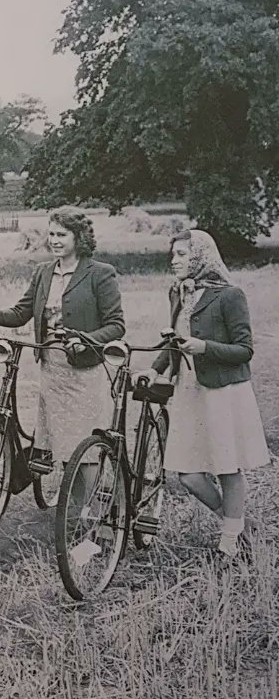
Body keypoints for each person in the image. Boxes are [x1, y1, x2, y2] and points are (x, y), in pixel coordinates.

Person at [138, 228, 271, 559]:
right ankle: (237, 523)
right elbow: (174, 342)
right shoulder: (178, 293)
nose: (174, 260)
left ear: (201, 256)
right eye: (174, 254)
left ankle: (229, 541)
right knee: (189, 475)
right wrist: (155, 369)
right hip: (189, 392)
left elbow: (244, 350)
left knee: (227, 467)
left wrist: (205, 347)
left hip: (223, 392)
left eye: (182, 254)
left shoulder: (229, 295)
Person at [0, 207, 125, 483]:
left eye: (62, 235)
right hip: (52, 368)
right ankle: (71, 503)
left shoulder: (100, 273)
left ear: (78, 237)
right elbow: (22, 312)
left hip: (84, 370)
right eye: (52, 234)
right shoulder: (43, 272)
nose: (54, 240)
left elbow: (116, 325)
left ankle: (87, 511)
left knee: (84, 444)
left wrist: (86, 340)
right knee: (60, 440)